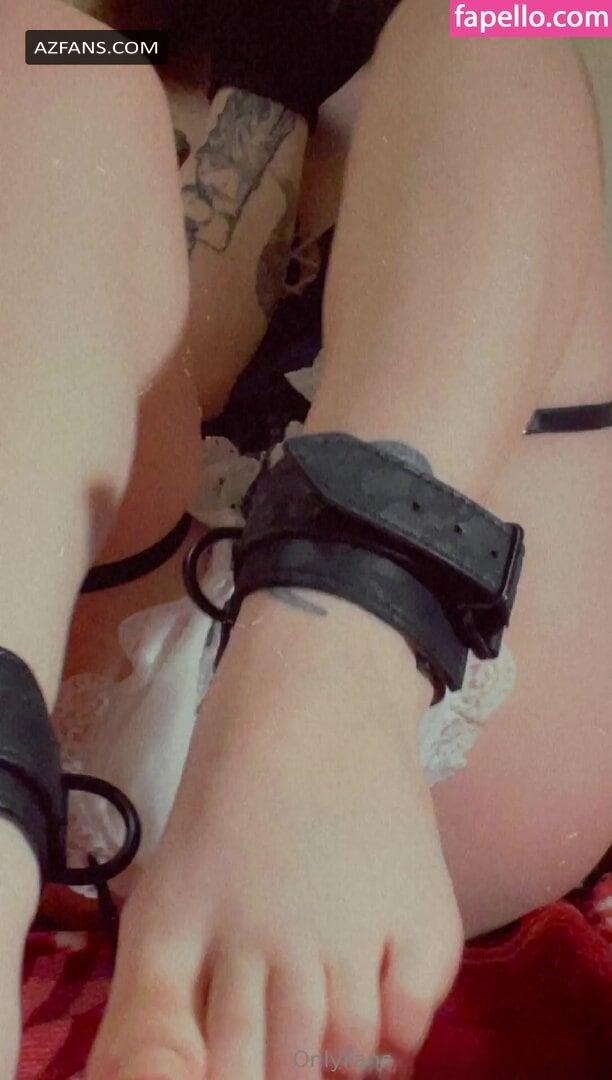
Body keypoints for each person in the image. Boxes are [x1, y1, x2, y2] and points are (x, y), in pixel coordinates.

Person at [1, 2, 611, 1078]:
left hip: (428, 647)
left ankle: (336, 651)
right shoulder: (106, 42)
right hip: (80, 611)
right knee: (36, 55)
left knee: (486, 26)